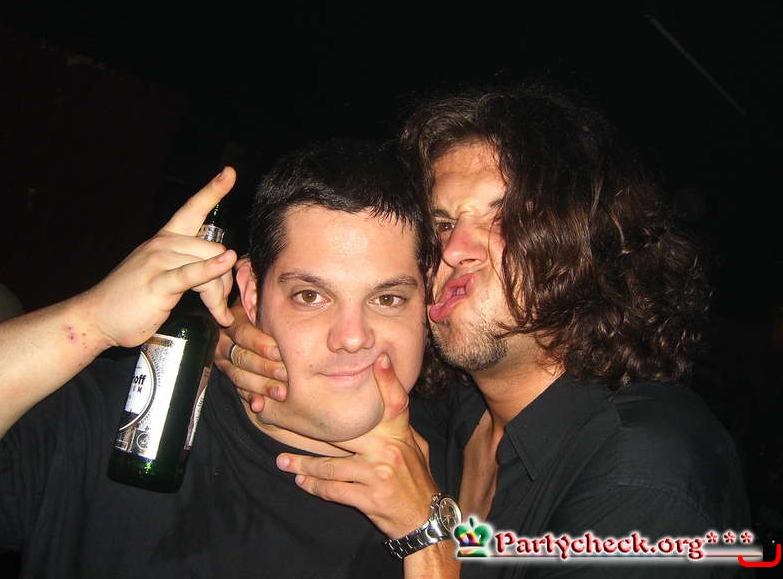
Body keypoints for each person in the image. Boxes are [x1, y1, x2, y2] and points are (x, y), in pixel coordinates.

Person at [218, 84, 752, 577]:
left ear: (586, 243)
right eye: (443, 224)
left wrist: (427, 534)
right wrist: (237, 329)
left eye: (504, 218)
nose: (454, 249)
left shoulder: (643, 472)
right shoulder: (454, 406)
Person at [0, 139, 453, 578]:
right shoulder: (119, 418)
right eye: (310, 296)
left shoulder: (461, 464)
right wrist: (88, 321)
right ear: (251, 293)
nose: (352, 338)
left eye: (387, 299)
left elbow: (483, 549)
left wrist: (430, 535)